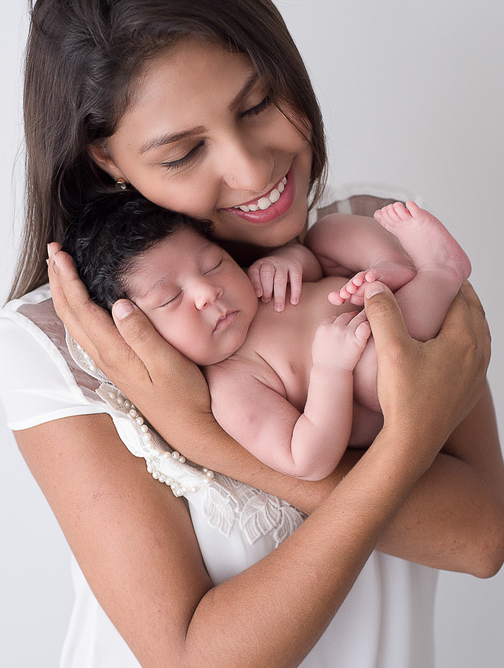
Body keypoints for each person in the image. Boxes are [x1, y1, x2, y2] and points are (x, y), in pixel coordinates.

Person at [0, 0, 504, 668]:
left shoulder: (376, 238)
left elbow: (480, 536)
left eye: (258, 102)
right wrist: (405, 443)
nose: (251, 167)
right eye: (182, 152)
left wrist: (203, 434)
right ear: (107, 158)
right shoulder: (64, 346)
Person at [62, 191, 472, 481]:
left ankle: (393, 263)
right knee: (371, 370)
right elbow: (304, 459)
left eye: (213, 264)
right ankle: (440, 272)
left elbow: (314, 265)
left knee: (325, 233)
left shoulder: (254, 285)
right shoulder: (232, 384)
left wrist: (290, 260)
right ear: (139, 335)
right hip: (385, 370)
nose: (207, 292)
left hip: (376, 295)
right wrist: (331, 371)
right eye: (171, 298)